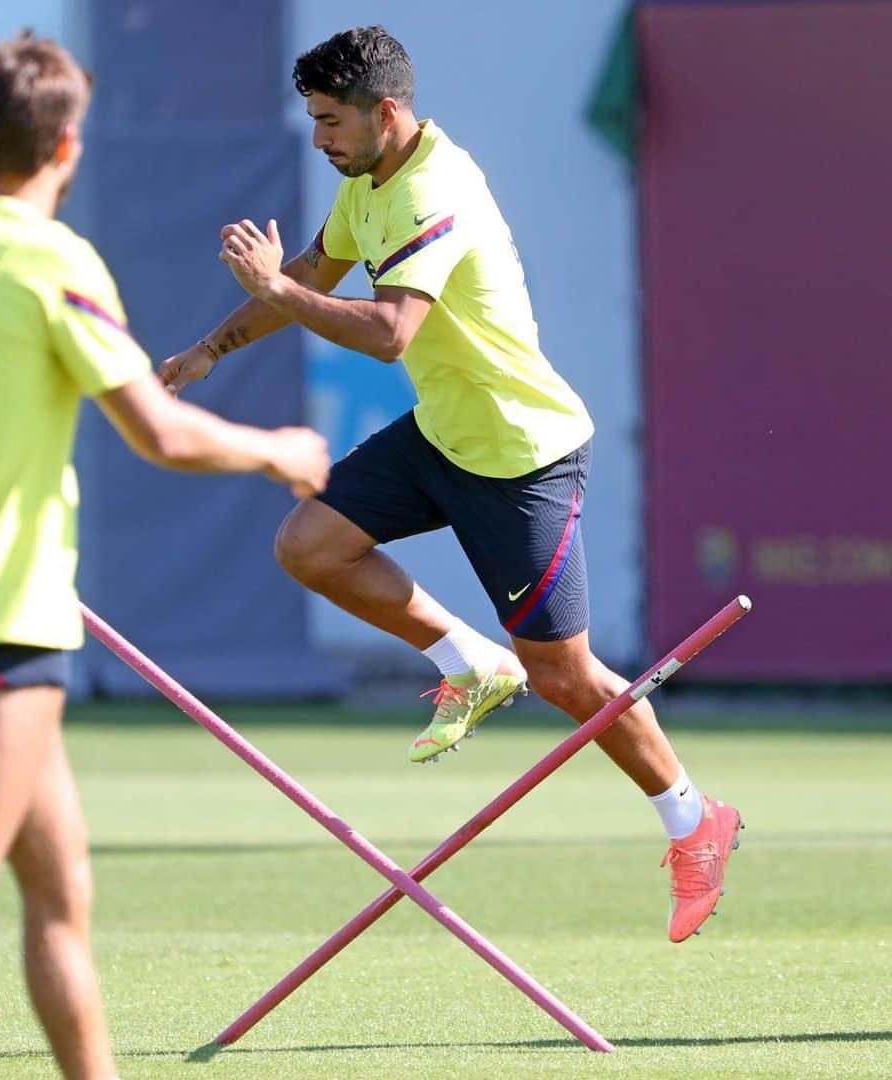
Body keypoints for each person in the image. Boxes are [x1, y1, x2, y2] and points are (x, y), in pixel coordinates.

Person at [0, 32, 328, 1080]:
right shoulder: (51, 262)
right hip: (3, 626)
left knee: (59, 896)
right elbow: (164, 433)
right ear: (67, 146)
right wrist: (280, 449)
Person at [159, 25, 741, 945]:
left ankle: (695, 820)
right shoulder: (369, 181)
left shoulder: (437, 188)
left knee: (568, 677)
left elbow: (390, 332)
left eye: (330, 120)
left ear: (386, 112)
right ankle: (467, 661)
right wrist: (208, 350)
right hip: (442, 436)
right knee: (309, 544)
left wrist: (278, 290)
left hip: (521, 456)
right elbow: (313, 272)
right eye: (311, 119)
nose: (318, 139)